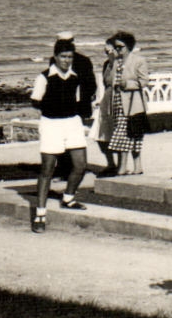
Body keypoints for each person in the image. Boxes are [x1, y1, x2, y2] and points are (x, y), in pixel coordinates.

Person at [30, 38, 91, 232]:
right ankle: (40, 215)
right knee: (47, 169)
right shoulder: (44, 77)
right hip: (51, 124)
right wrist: (54, 109)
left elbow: (79, 102)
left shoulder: (75, 77)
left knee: (80, 165)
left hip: (72, 122)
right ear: (55, 57)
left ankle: (68, 198)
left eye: (70, 57)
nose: (66, 60)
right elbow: (35, 101)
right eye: (63, 57)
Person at [109, 31, 147, 175]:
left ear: (129, 46)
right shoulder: (115, 62)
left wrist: (128, 84)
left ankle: (125, 167)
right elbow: (109, 81)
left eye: (121, 47)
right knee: (126, 135)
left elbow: (144, 81)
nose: (118, 50)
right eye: (116, 47)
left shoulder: (138, 60)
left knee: (130, 135)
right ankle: (134, 167)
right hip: (118, 104)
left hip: (133, 104)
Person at [92, 36, 123, 177]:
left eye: (109, 49)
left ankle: (121, 165)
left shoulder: (122, 63)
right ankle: (110, 163)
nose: (107, 51)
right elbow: (105, 84)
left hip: (119, 99)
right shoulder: (107, 64)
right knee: (100, 134)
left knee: (119, 132)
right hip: (107, 99)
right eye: (106, 50)